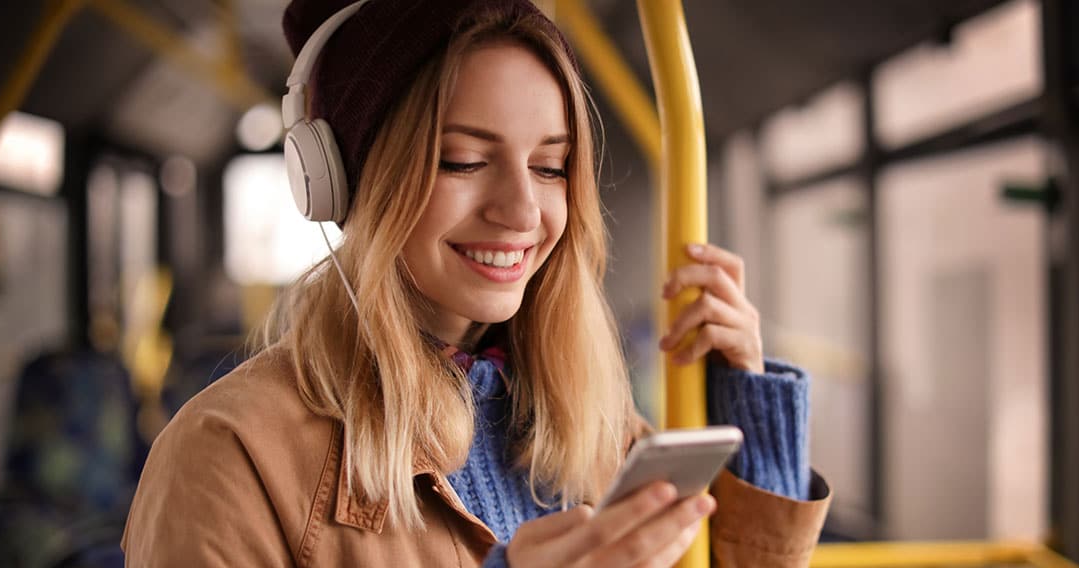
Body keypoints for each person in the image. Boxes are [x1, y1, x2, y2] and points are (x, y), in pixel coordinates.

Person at [121, 0, 830, 566]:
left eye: (551, 167)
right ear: (344, 184)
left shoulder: (596, 427)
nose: (522, 211)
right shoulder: (229, 456)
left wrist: (752, 418)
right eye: (462, 161)